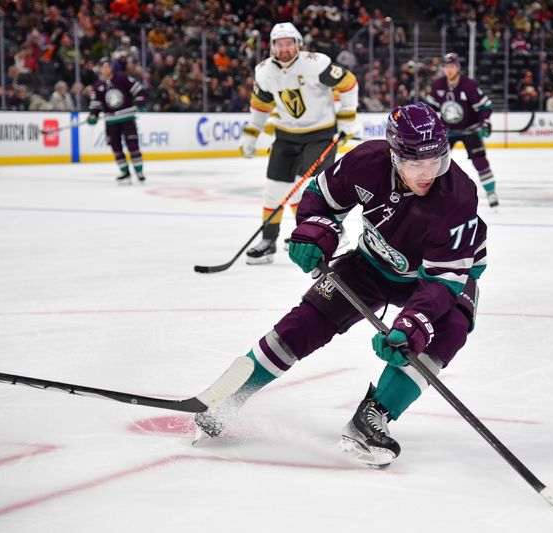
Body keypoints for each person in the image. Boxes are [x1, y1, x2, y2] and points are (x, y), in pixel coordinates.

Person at [194, 103, 487, 468]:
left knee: (449, 327)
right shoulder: (366, 162)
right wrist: (316, 231)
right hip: (373, 262)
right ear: (394, 155)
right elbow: (321, 198)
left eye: (436, 161)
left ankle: (374, 414)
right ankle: (232, 395)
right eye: (416, 164)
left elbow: (443, 280)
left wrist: (414, 323)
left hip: (442, 277)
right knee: (309, 318)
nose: (428, 173)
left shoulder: (458, 195)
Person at [240, 22, 360, 265]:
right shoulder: (264, 71)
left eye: (289, 43)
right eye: (280, 44)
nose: (285, 48)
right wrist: (250, 135)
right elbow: (260, 106)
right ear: (272, 47)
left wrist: (347, 118)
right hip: (286, 137)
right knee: (273, 190)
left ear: (298, 44)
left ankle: (330, 233)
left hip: (320, 136)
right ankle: (268, 242)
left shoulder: (316, 63)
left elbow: (348, 83)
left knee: (304, 189)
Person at [424, 53, 499, 208]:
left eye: (452, 66)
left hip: (469, 130)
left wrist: (485, 122)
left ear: (458, 67)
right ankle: (433, 195)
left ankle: (491, 192)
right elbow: (429, 108)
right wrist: (427, 124)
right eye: (446, 67)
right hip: (447, 132)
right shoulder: (438, 85)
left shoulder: (469, 85)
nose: (449, 70)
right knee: (435, 163)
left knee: (480, 161)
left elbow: (486, 106)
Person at [88, 57, 147, 183]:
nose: (106, 69)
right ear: (100, 69)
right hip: (111, 121)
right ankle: (124, 171)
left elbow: (139, 90)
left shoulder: (122, 78)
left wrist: (140, 101)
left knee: (132, 144)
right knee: (116, 146)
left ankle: (139, 171)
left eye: (108, 66)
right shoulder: (98, 86)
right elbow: (95, 104)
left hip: (127, 117)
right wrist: (93, 115)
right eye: (103, 67)